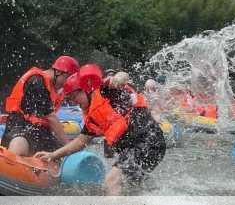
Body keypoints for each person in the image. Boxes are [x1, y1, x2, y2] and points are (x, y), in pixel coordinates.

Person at [35, 64, 166, 195]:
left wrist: (118, 78)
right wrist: (53, 155)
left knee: (111, 181)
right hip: (137, 148)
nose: (74, 102)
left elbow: (122, 77)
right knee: (131, 186)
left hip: (148, 141)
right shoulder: (92, 117)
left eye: (74, 97)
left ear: (84, 89)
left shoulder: (106, 91)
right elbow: (80, 142)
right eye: (69, 100)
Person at [1, 55, 80, 156]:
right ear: (59, 72)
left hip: (39, 130)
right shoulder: (37, 81)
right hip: (19, 124)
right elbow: (51, 117)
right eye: (67, 79)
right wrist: (68, 146)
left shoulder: (54, 88)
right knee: (21, 139)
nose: (66, 84)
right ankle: (11, 161)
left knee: (57, 150)